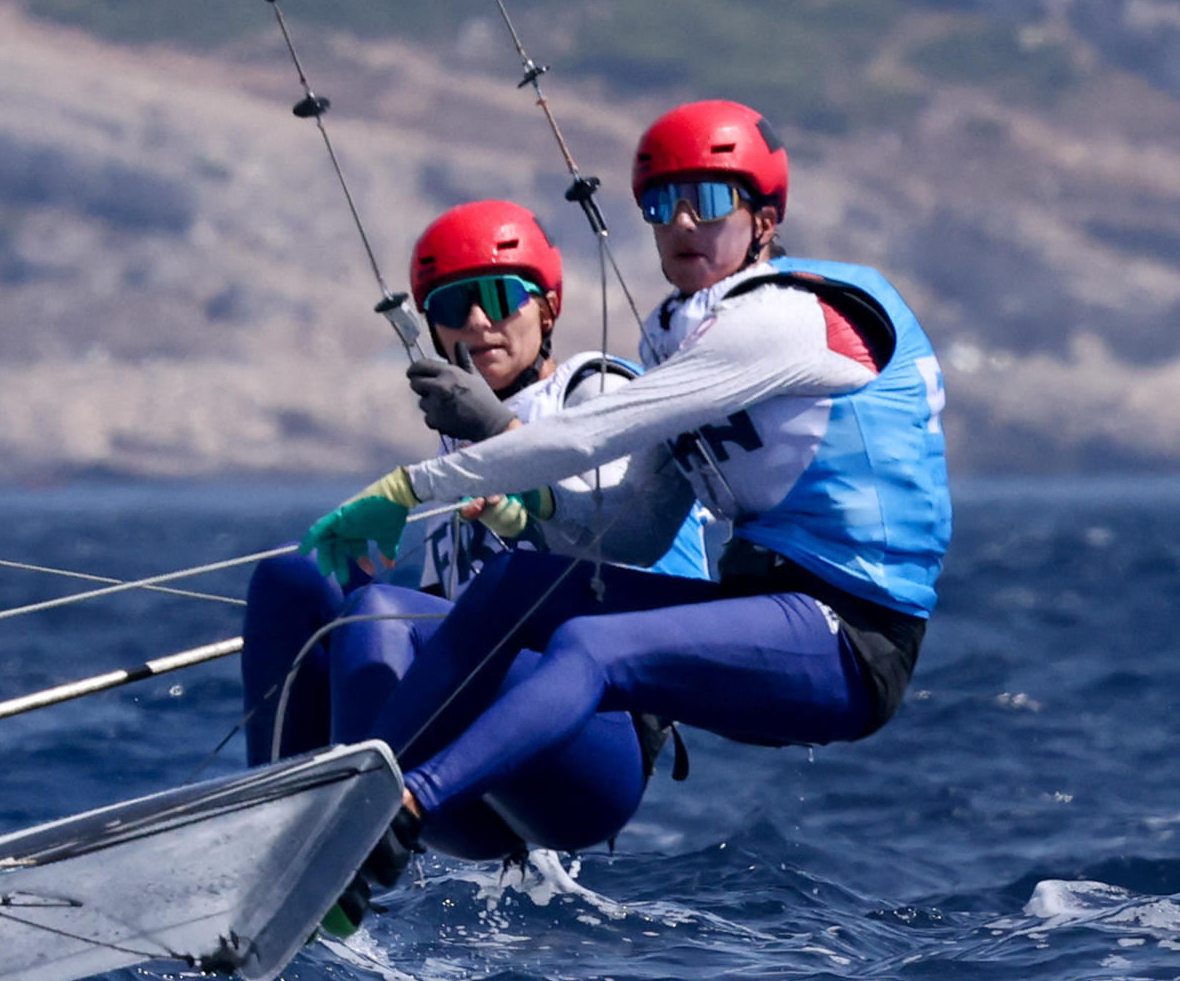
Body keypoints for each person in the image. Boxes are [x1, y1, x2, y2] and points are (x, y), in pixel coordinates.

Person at [299, 100, 952, 894]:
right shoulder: (686, 338)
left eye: (707, 201)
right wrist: (535, 515)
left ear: (764, 219)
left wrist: (412, 487)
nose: (681, 222)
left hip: (852, 637)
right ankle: (351, 812)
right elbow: (637, 530)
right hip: (765, 601)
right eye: (660, 204)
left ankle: (402, 812)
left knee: (593, 647)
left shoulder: (784, 324)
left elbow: (586, 437)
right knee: (516, 586)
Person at [244, 201, 705, 881]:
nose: (479, 323)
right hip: (464, 783)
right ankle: (270, 840)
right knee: (293, 578)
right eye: (454, 306)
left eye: (499, 297)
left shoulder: (598, 386)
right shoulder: (457, 450)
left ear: (547, 309)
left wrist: (495, 432)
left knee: (378, 615)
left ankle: (344, 850)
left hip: (589, 748)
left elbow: (620, 519)